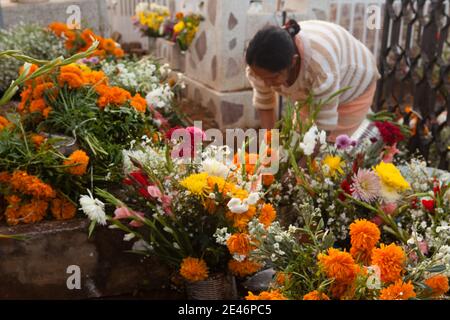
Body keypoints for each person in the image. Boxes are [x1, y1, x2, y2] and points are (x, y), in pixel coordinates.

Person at [245, 19, 380, 141]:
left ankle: (378, 136)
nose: (267, 83)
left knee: (334, 150)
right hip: (316, 87)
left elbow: (323, 130)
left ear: (293, 61)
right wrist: (270, 150)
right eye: (262, 78)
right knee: (297, 141)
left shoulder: (320, 67)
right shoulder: (259, 64)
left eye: (273, 78)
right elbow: (265, 104)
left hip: (354, 84)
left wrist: (298, 168)